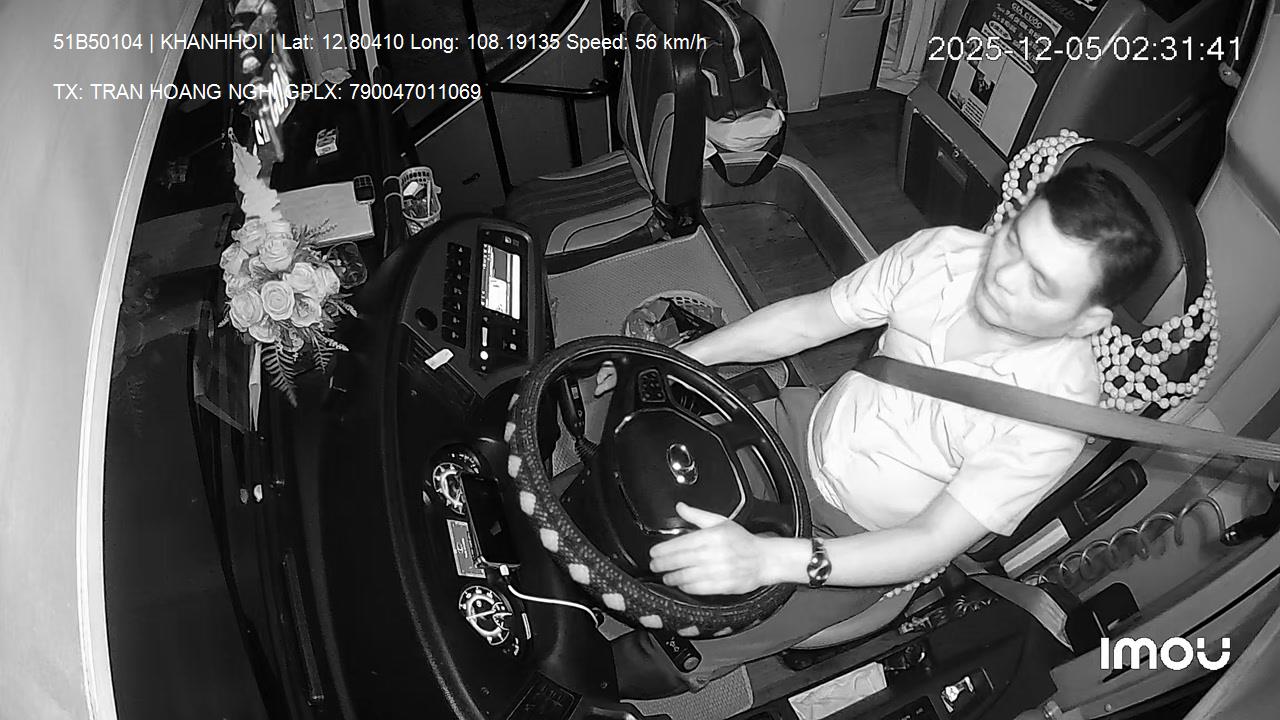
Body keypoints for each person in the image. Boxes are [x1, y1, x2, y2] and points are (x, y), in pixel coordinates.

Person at [597, 165, 1162, 696]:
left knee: (692, 641)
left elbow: (931, 541)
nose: (1003, 275)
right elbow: (811, 318)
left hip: (864, 540)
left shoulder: (1053, 418)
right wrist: (674, 359)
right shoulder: (942, 256)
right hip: (797, 432)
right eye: (1015, 240)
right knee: (629, 487)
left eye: (1041, 283)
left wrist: (767, 560)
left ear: (1088, 321)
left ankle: (597, 677)